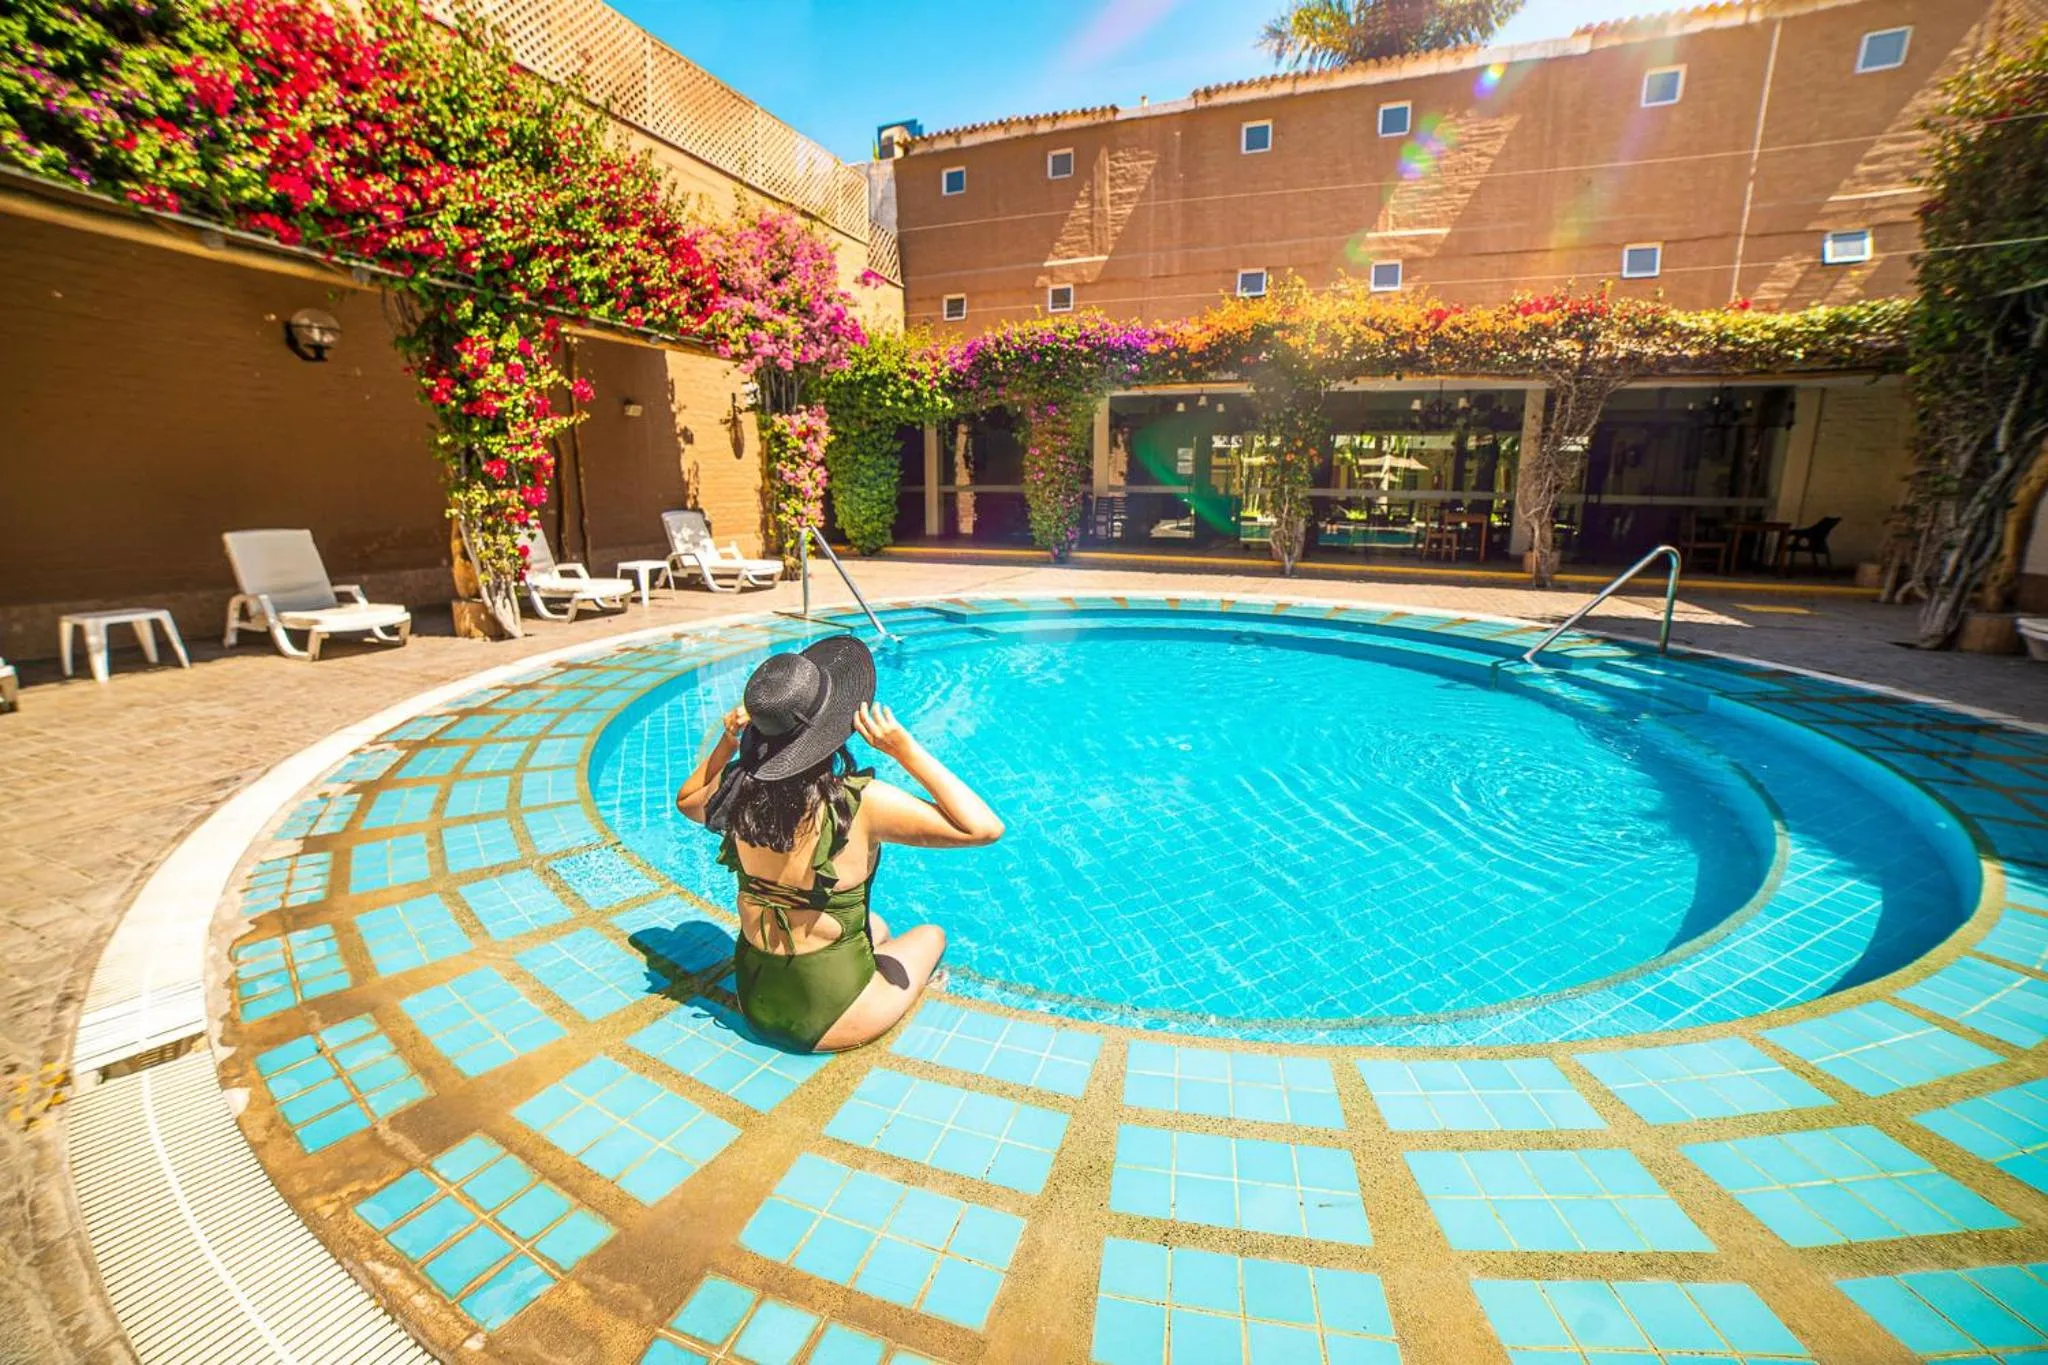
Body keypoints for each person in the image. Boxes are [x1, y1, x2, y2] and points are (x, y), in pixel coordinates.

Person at [675, 636, 1003, 1052]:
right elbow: (983, 828)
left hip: (755, 1000)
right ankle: (900, 1001)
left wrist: (727, 742)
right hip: (832, 1019)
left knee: (875, 927)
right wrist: (904, 750)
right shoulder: (859, 803)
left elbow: (687, 800)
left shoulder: (737, 790)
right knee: (930, 935)